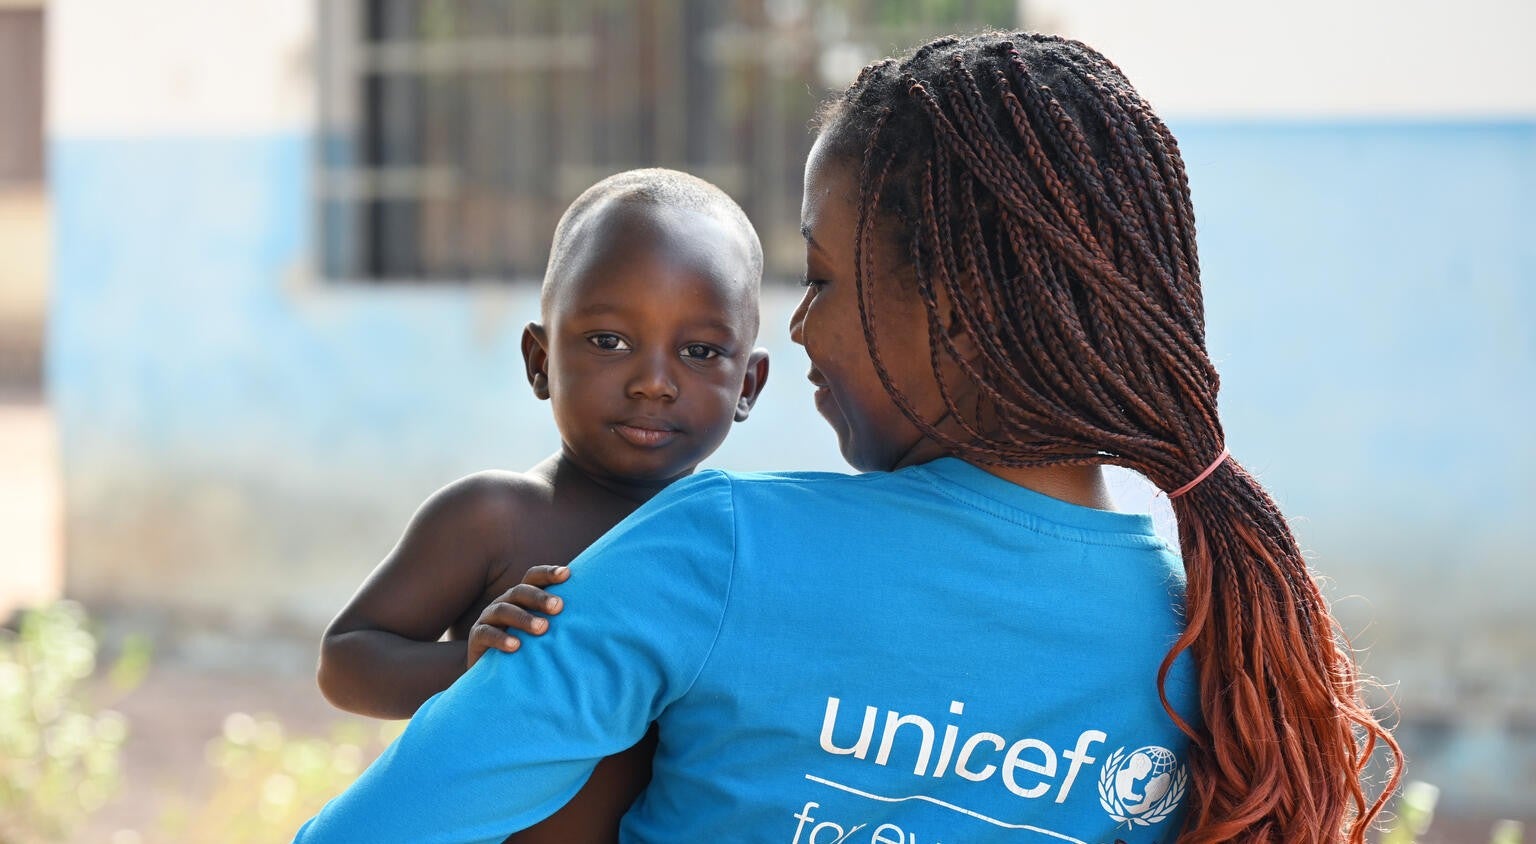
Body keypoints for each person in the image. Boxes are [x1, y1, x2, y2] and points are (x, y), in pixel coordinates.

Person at [295, 32, 1400, 844]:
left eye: (821, 278)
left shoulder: (715, 547)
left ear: (953, 306)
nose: (802, 327)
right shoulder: (1207, 639)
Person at [312, 167, 770, 843]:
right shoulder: (494, 518)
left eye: (699, 351)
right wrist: (473, 666)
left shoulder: (738, 553)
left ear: (748, 384)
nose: (653, 383)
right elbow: (346, 662)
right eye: (609, 341)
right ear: (540, 360)